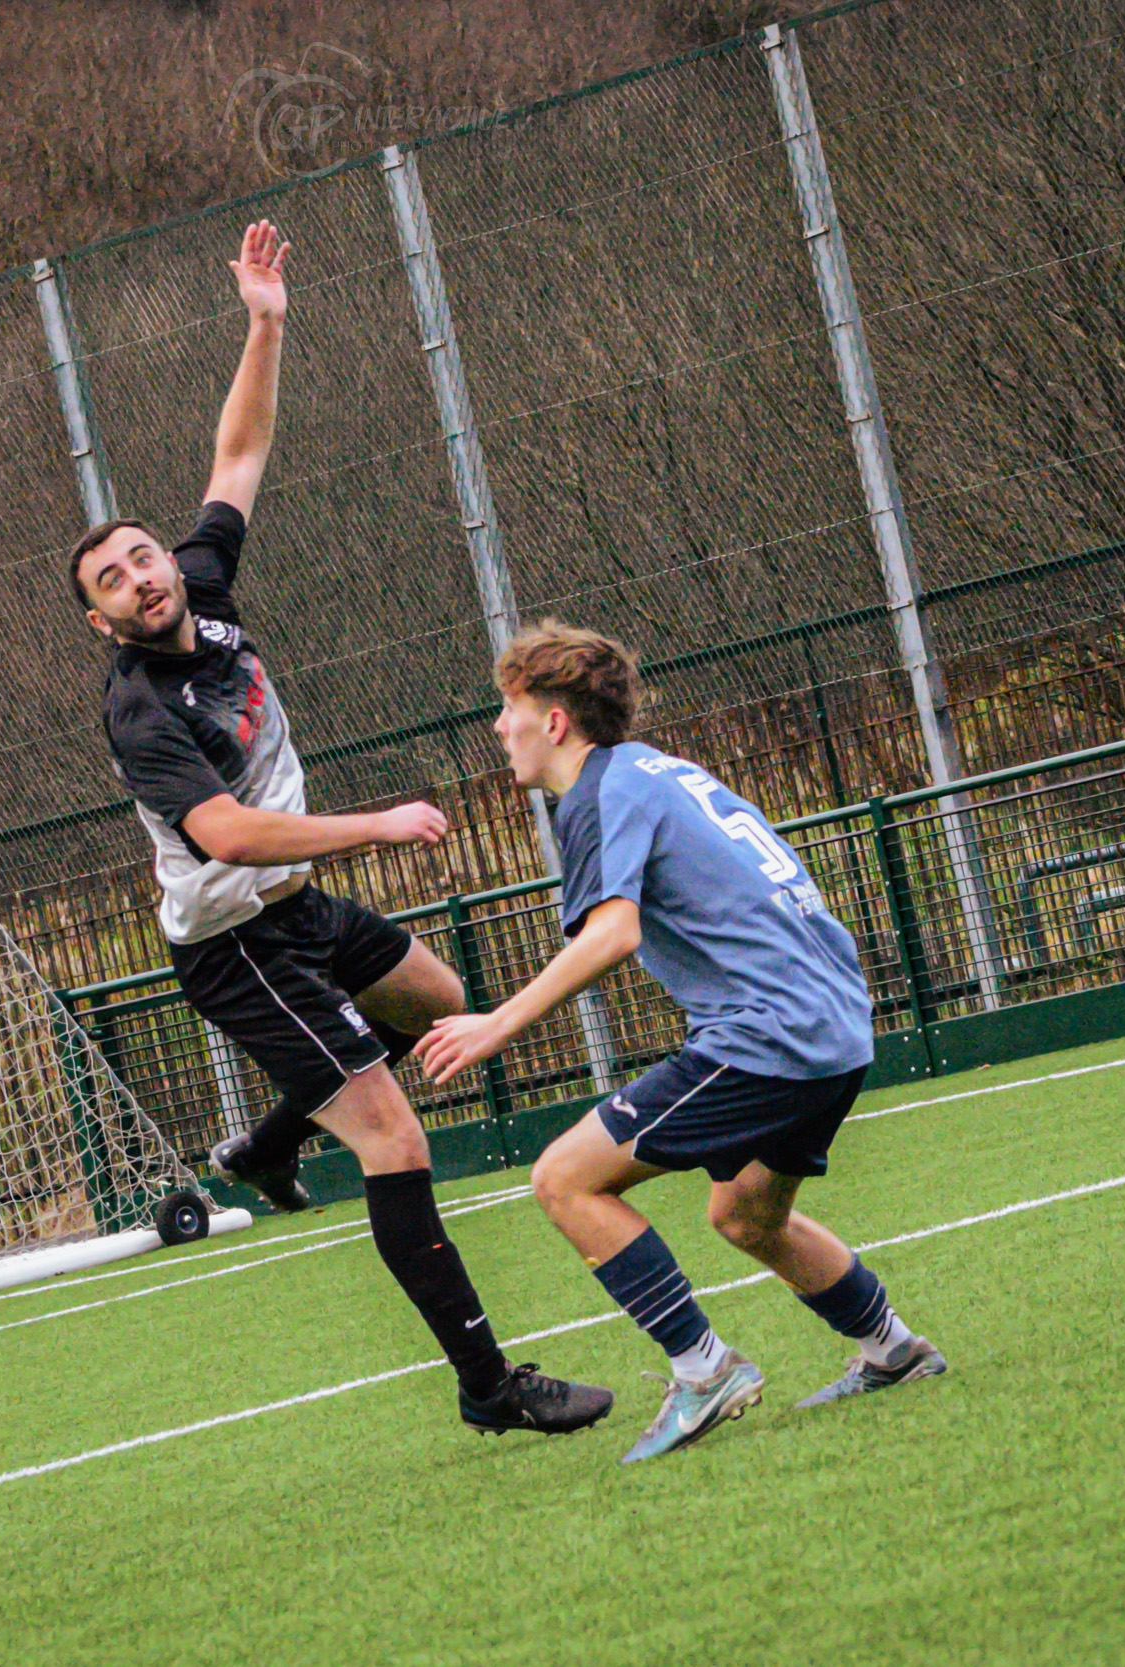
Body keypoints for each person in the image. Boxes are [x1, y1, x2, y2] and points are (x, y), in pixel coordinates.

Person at [70, 220, 610, 1437]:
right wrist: (369, 823)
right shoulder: (141, 709)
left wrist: (264, 323)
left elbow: (239, 451)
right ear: (102, 623)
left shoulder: (203, 593)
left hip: (294, 907)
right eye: (113, 580)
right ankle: (489, 1386)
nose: (142, 576)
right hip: (235, 937)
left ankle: (264, 1143)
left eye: (143, 555)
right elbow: (226, 834)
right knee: (392, 1135)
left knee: (439, 995)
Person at [418, 622, 946, 1464]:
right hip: (833, 1025)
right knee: (743, 1213)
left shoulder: (598, 792)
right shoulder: (656, 770)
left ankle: (703, 1369)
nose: (497, 727)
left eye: (508, 708)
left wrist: (497, 1022)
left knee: (563, 1178)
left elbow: (613, 933)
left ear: (554, 721)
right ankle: (893, 1347)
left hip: (772, 1034)